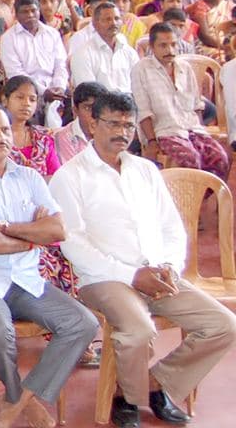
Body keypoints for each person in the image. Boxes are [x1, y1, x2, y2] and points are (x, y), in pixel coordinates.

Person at [50, 91, 236, 428]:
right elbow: (73, 245)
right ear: (93, 124)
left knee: (223, 325)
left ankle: (154, 385)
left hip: (158, 273)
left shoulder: (145, 170)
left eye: (128, 125)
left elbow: (171, 227)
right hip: (104, 279)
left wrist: (168, 264)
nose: (122, 132)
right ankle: (128, 401)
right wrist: (132, 275)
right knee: (137, 330)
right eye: (113, 123)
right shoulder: (70, 176)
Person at [0, 102, 98, 428]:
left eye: (4, 129)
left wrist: (7, 228)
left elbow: (57, 230)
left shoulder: (29, 177)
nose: (1, 137)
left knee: (82, 323)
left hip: (26, 278)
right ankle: (19, 399)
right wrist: (31, 238)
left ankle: (21, 399)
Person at [133, 22, 231, 179]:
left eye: (173, 45)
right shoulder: (141, 69)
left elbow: (197, 105)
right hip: (164, 132)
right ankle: (187, 202)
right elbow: (143, 110)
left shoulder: (184, 68)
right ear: (152, 46)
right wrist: (151, 142)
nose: (170, 50)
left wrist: (201, 132)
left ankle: (205, 202)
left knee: (220, 158)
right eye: (163, 46)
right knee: (190, 160)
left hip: (192, 129)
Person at [0, 0, 69, 99]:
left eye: (33, 10)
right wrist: (43, 92)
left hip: (55, 87)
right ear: (16, 15)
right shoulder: (8, 38)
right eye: (24, 12)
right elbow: (15, 73)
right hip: (25, 90)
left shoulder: (52, 33)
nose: (30, 15)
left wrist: (59, 86)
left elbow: (60, 64)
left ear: (39, 11)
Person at [69, 0, 139, 90]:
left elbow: (139, 85)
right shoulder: (83, 54)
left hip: (130, 102)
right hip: (101, 103)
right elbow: (89, 93)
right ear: (95, 24)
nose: (113, 23)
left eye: (117, 19)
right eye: (107, 19)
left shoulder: (129, 52)